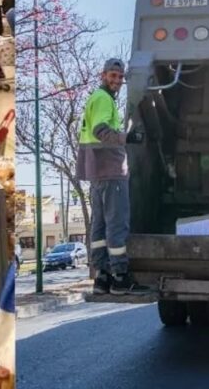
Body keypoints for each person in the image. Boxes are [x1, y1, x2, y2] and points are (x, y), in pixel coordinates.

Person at [77, 58, 149, 296]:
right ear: (103, 75)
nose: (117, 80)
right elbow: (100, 130)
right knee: (117, 224)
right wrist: (127, 137)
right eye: (113, 76)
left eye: (120, 77)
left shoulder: (96, 99)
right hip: (110, 170)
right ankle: (120, 277)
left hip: (97, 171)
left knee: (99, 226)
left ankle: (102, 277)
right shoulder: (103, 99)